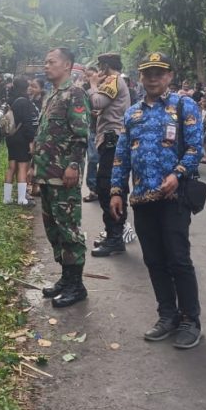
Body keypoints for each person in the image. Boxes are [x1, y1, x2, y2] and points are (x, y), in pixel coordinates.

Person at [110, 52, 204, 349]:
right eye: (148, 73)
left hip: (173, 197)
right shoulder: (132, 114)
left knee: (178, 258)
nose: (153, 78)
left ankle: (190, 319)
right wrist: (116, 191)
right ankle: (167, 315)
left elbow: (195, 147)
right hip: (142, 199)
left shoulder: (183, 105)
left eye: (159, 73)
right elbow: (121, 155)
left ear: (169, 77)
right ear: (140, 77)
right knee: (154, 260)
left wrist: (177, 173)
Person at [32, 47, 90, 308]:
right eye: (45, 62)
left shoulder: (74, 94)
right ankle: (66, 279)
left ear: (67, 65)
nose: (46, 66)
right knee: (54, 229)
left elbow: (80, 135)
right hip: (46, 175)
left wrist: (74, 165)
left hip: (63, 175)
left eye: (51, 61)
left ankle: (77, 285)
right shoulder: (50, 95)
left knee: (69, 229)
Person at [86, 53, 131, 257]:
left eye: (99, 66)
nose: (98, 70)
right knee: (108, 185)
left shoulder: (113, 80)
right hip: (110, 140)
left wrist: (93, 84)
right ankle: (113, 233)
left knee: (109, 186)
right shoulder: (116, 81)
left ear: (105, 66)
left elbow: (97, 102)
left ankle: (115, 237)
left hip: (114, 141)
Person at [3, 76, 39, 206]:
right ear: (24, 87)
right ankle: (21, 198)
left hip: (11, 137)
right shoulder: (24, 101)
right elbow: (28, 123)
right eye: (28, 85)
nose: (30, 87)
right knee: (23, 166)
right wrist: (31, 140)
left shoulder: (11, 100)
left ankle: (7, 198)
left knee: (11, 167)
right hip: (21, 137)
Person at [82, 65, 100, 203]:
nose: (88, 78)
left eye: (91, 75)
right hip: (92, 128)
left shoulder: (106, 87)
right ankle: (93, 189)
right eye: (86, 75)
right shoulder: (83, 90)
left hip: (105, 129)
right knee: (93, 159)